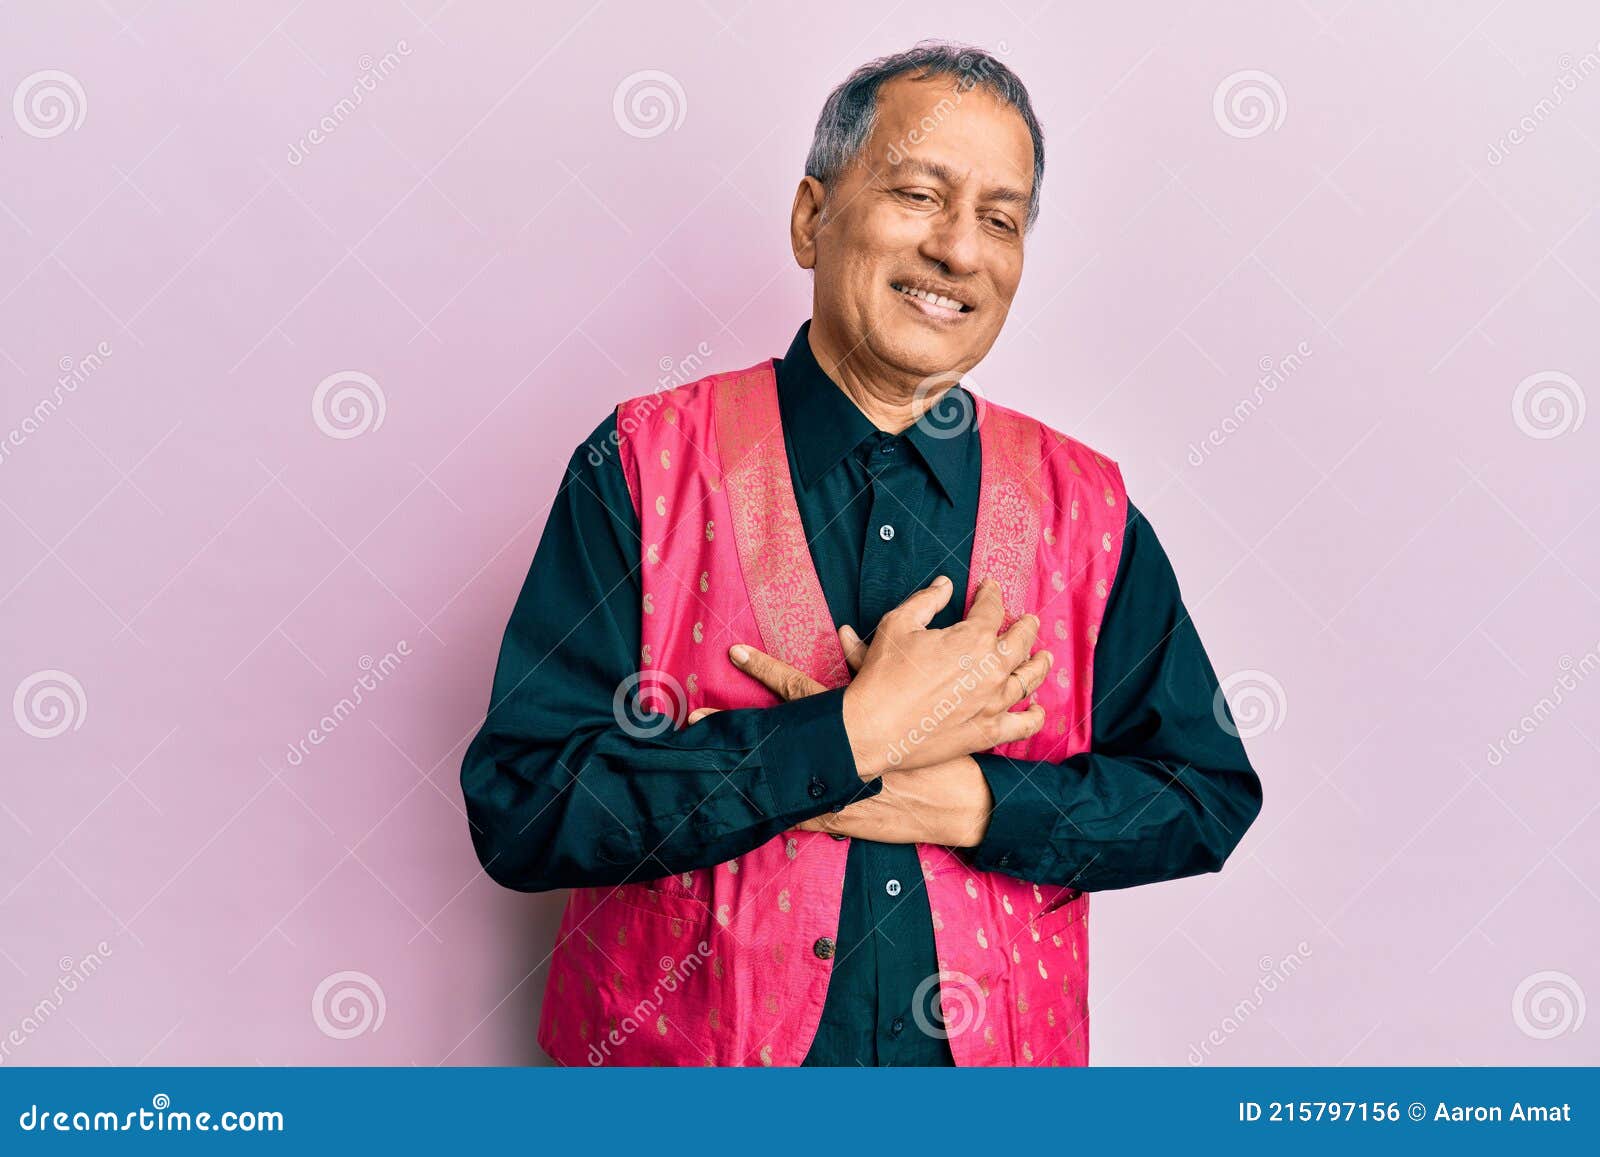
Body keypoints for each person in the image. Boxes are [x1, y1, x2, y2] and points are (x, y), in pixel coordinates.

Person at [460, 40, 1263, 1067]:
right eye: (920, 194)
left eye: (1000, 218)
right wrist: (843, 732)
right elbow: (521, 804)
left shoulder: (1085, 506)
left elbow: (1202, 794)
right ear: (811, 218)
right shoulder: (645, 466)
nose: (959, 251)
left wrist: (974, 800)